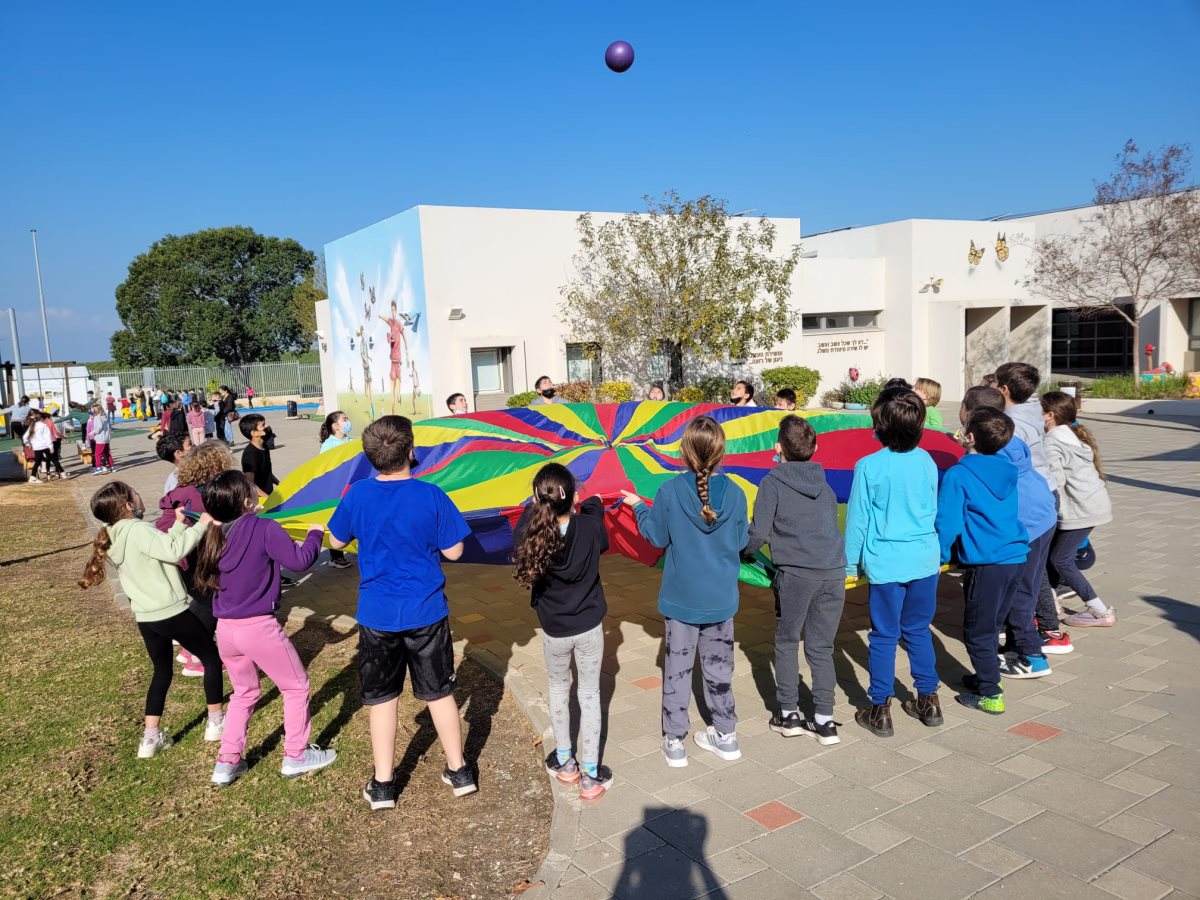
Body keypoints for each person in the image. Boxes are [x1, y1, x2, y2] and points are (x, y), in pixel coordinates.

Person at [326, 415, 476, 809]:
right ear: (411, 451)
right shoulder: (431, 495)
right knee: (439, 693)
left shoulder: (356, 495)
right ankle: (459, 771)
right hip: (426, 612)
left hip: (377, 616)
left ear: (369, 456)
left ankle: (383, 784)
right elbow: (454, 551)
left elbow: (337, 540)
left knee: (382, 698)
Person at [192, 471, 335, 785]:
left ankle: (227, 762)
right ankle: (296, 755)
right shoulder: (265, 528)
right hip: (259, 628)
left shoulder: (213, 533)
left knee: (243, 693)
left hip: (226, 631)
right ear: (247, 501)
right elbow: (299, 561)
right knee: (295, 687)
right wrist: (314, 534)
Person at [621, 416, 748, 768]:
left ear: (684, 452)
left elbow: (657, 537)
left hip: (682, 598)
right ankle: (726, 734)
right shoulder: (737, 494)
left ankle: (675, 740)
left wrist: (637, 509)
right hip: (721, 598)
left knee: (677, 669)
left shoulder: (670, 491)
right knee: (720, 669)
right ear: (721, 451)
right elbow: (740, 542)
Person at [78, 481, 224, 759]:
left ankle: (150, 739)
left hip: (146, 617)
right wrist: (200, 525)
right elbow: (173, 552)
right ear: (128, 505)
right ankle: (216, 721)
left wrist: (179, 524)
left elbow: (161, 547)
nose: (140, 494)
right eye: (135, 492)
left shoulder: (113, 533)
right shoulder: (138, 529)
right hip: (170, 611)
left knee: (162, 672)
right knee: (211, 658)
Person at [845, 388, 942, 737]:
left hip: (886, 562)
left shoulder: (869, 466)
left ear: (879, 426)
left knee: (884, 636)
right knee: (918, 630)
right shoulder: (927, 461)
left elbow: (857, 521)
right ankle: (929, 700)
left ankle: (880, 709)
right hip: (924, 560)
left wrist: (848, 565)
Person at [513, 463, 613, 800]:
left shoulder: (530, 531)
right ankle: (590, 774)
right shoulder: (589, 527)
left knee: (558, 689)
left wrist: (538, 502)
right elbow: (597, 524)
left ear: (536, 498)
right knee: (589, 694)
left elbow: (533, 516)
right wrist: (591, 502)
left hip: (554, 628)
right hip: (588, 627)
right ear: (574, 498)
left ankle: (565, 762)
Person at [746, 415, 846, 745]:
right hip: (833, 573)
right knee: (821, 646)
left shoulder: (772, 484)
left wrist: (741, 553)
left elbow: (758, 533)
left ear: (777, 449)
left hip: (796, 575)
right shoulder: (826, 486)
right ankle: (825, 720)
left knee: (788, 641)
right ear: (815, 448)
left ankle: (788, 714)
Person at [960, 387, 1066, 664]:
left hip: (1027, 521)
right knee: (1027, 585)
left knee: (1021, 590)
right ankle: (1019, 642)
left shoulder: (986, 456)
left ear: (970, 415)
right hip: (1043, 511)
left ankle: (1031, 656)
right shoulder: (1011, 439)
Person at [936, 407, 1030, 715]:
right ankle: (983, 676)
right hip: (1015, 557)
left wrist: (938, 555)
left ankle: (991, 693)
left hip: (988, 563)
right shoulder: (1005, 466)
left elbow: (948, 523)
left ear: (970, 437)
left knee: (977, 630)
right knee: (991, 623)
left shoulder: (959, 474)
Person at [157, 439, 235, 675]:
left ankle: (187, 647)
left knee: (204, 600)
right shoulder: (200, 496)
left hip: (180, 555)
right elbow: (214, 523)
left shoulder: (186, 488)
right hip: (187, 558)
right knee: (212, 602)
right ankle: (196, 657)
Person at [1041, 391, 1116, 628]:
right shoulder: (1071, 435)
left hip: (1080, 510)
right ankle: (1051, 604)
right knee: (1052, 557)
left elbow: (1055, 481)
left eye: (1038, 412)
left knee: (1060, 559)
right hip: (1092, 505)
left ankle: (1099, 610)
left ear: (1050, 415)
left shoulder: (1052, 440)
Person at [318, 411, 354, 569]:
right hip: (337, 490)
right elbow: (325, 469)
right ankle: (336, 555)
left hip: (352, 487)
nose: (348, 422)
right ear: (335, 426)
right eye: (344, 419)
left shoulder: (352, 441)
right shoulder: (328, 445)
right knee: (338, 519)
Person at [239, 414, 277, 498]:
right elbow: (250, 483)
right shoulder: (250, 455)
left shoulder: (264, 447)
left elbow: (266, 471)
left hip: (268, 494)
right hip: (259, 500)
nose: (267, 427)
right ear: (254, 433)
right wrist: (267, 498)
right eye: (263, 425)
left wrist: (279, 483)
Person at [23, 411, 56, 483]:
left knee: (38, 461)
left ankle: (33, 476)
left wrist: (28, 444)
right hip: (42, 446)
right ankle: (36, 475)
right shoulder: (42, 425)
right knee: (50, 458)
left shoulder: (31, 425)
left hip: (35, 446)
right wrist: (50, 446)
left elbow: (25, 437)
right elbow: (47, 437)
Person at [91, 404, 115, 474]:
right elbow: (109, 427)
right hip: (107, 438)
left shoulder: (97, 418)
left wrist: (94, 432)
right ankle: (112, 467)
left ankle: (98, 468)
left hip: (100, 438)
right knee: (107, 453)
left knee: (97, 453)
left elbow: (99, 427)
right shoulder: (105, 416)